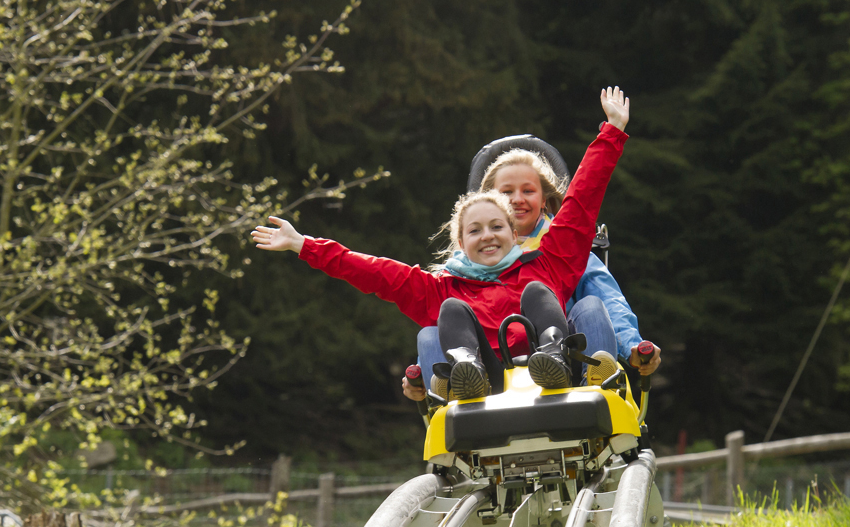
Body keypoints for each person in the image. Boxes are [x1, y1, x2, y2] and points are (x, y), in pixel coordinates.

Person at [252, 87, 631, 401]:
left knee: (538, 291)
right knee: (449, 310)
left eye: (496, 226)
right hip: (492, 381)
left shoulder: (547, 262)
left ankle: (553, 353)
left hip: (549, 369)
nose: (487, 236)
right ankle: (465, 369)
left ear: (515, 233)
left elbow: (582, 199)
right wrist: (303, 244)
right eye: (476, 230)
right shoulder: (442, 289)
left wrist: (612, 132)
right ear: (461, 244)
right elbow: (372, 271)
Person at [406, 143, 663, 400]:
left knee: (592, 305)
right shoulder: (466, 268)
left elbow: (610, 301)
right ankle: (449, 392)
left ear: (543, 200)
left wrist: (631, 344)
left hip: (567, 357)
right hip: (489, 370)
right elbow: (449, 324)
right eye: (506, 192)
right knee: (430, 333)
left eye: (527, 191)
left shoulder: (564, 251)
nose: (517, 199)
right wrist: (420, 369)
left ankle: (597, 384)